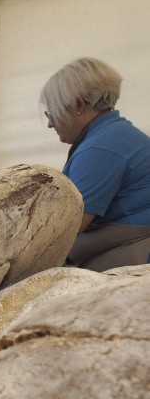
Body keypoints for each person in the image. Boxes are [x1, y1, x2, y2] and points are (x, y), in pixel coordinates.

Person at [40, 57, 150, 270]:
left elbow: (66, 229)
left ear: (79, 105)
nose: (50, 123)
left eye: (52, 112)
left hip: (135, 263)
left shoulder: (101, 147)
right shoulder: (115, 134)